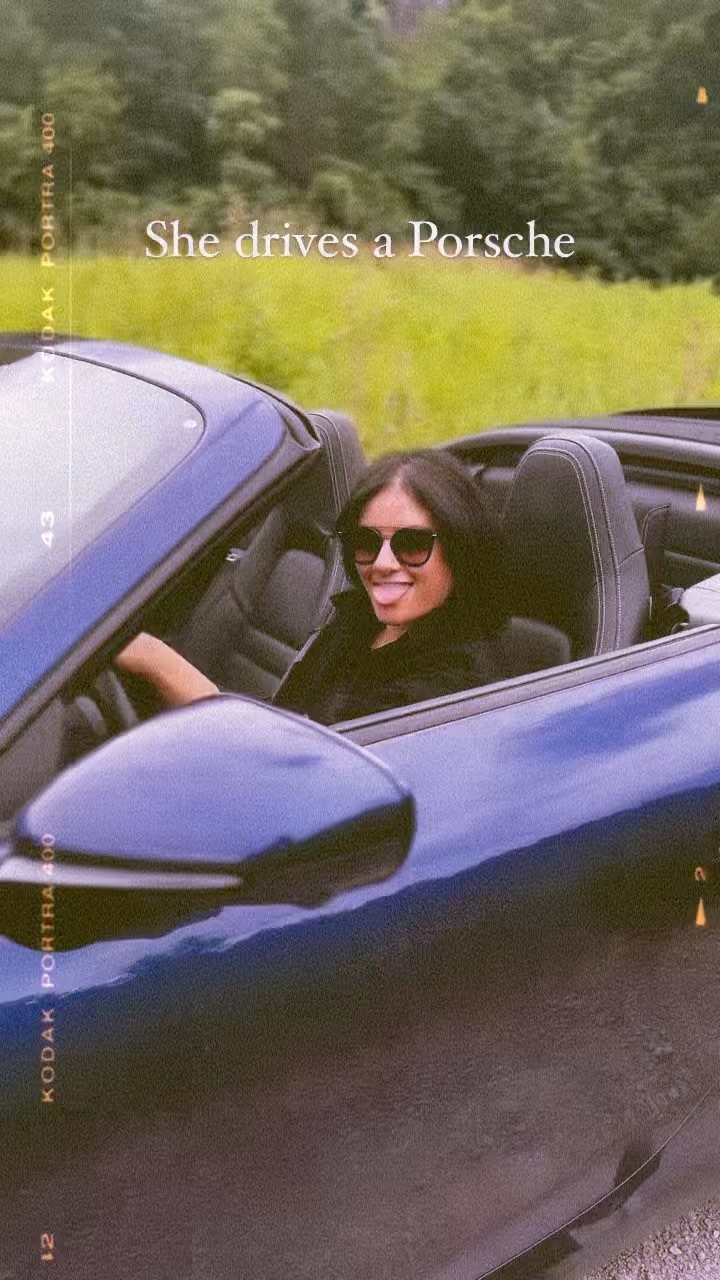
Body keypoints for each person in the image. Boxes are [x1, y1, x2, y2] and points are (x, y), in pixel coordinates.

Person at [115, 448, 509, 723]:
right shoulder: (357, 621)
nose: (382, 563)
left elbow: (297, 773)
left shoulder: (451, 687)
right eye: (366, 542)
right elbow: (287, 725)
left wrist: (159, 663)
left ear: (459, 548)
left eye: (412, 544)